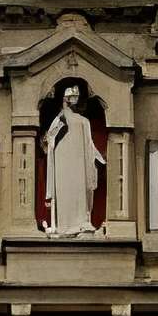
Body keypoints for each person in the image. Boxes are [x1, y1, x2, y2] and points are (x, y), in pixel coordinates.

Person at [43, 83, 104, 237]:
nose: (77, 99)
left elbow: (89, 145)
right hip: (66, 166)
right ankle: (68, 226)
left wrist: (99, 158)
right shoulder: (63, 120)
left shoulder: (80, 121)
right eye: (73, 96)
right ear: (66, 99)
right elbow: (48, 142)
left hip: (76, 166)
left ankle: (76, 225)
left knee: (76, 192)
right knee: (69, 192)